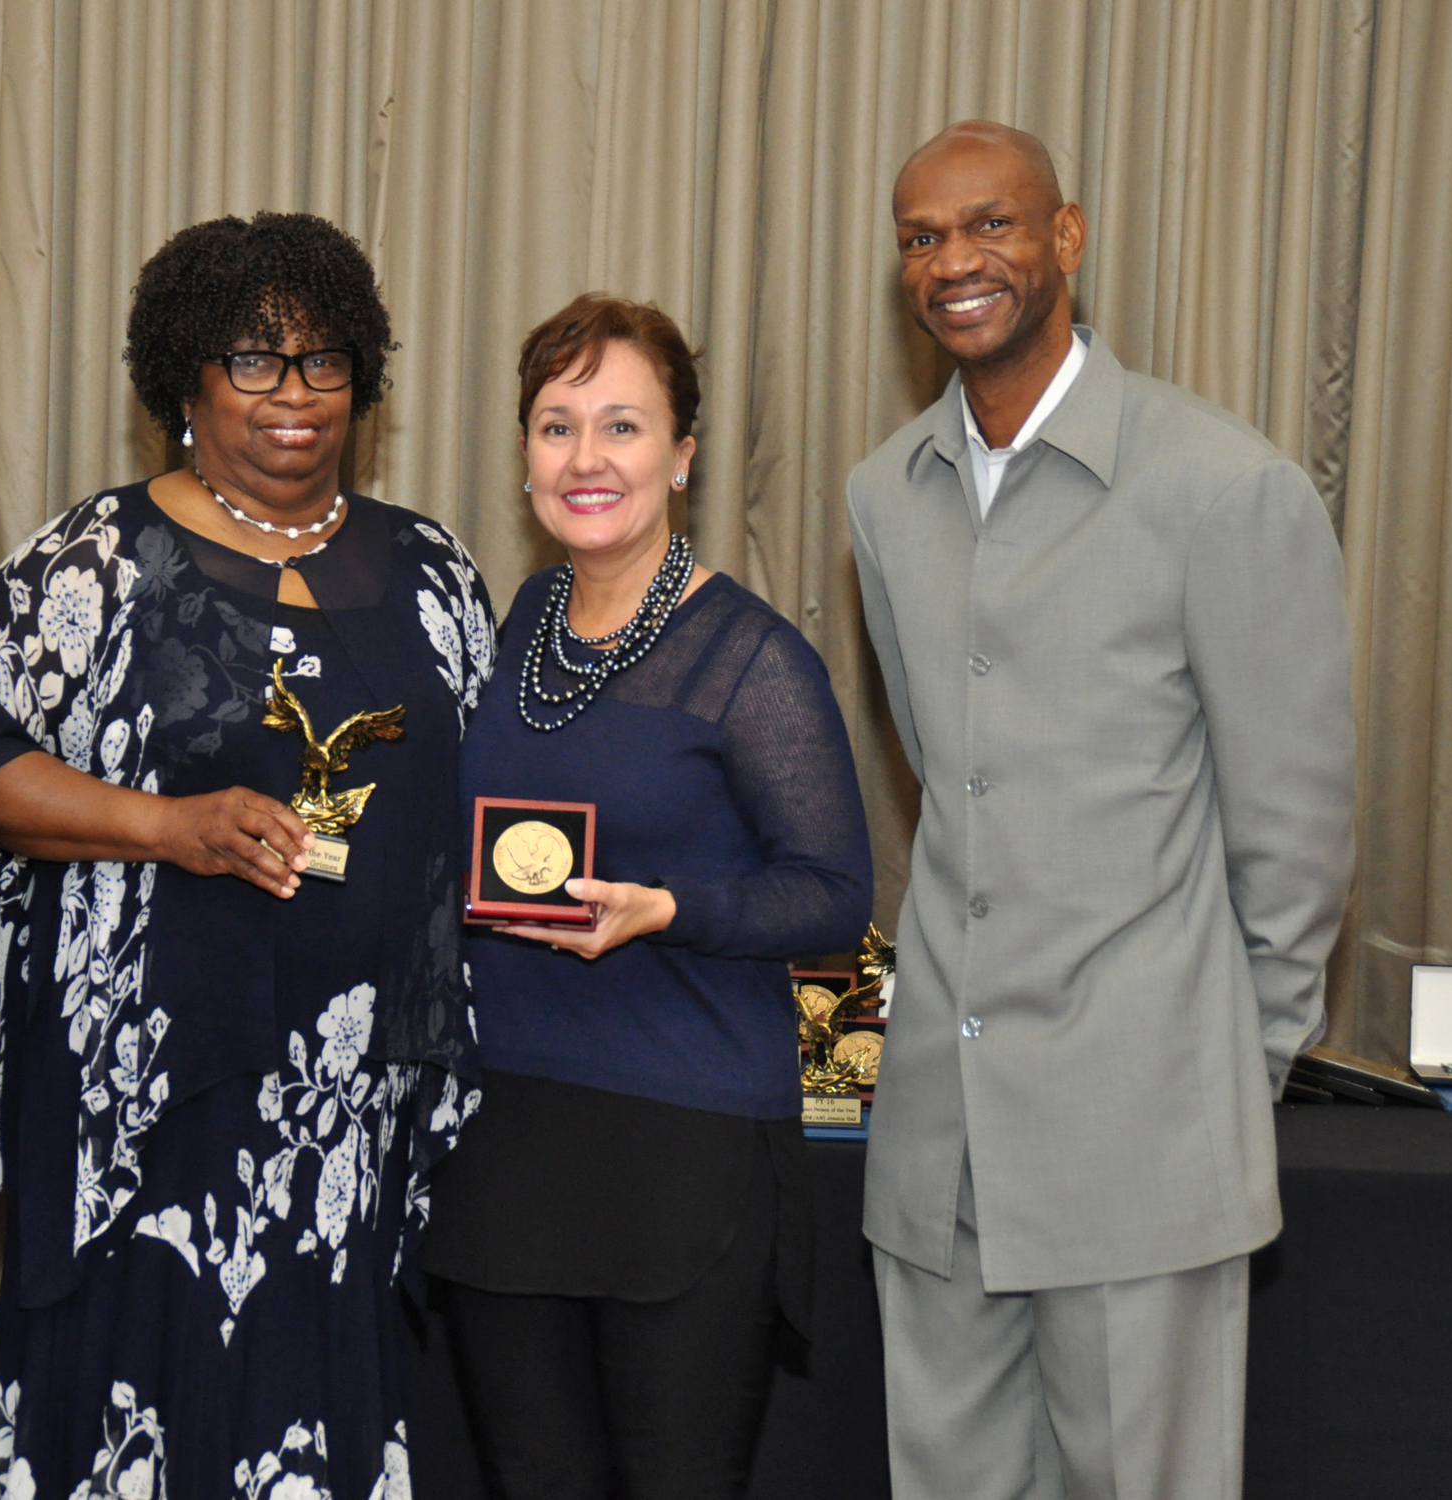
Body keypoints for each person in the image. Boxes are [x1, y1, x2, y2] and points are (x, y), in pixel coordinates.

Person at [848, 121, 1356, 1500]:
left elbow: (1293, 849)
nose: (956, 260)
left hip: (1142, 1152)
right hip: (937, 1154)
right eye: (922, 237)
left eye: (991, 224)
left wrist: (1208, 1096)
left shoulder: (1225, 488)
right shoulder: (883, 499)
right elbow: (945, 782)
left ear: (1065, 239)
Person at [0, 211, 493, 1498]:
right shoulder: (93, 560)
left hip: (350, 1109)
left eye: (323, 361)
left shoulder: (434, 573)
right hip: (143, 1102)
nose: (292, 395)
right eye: (252, 360)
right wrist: (167, 825)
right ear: (182, 380)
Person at [423, 295, 873, 1498]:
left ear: (680, 454)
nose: (585, 459)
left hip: (681, 1158)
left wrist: (673, 910)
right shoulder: (517, 628)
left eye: (621, 426)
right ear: (523, 453)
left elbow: (834, 896)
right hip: (505, 1139)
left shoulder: (752, 660)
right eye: (556, 425)